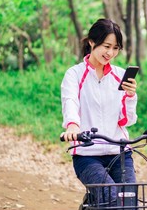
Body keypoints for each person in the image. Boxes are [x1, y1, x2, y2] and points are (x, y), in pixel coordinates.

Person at [60, 18, 138, 205]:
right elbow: (70, 101)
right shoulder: (75, 74)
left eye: (115, 48)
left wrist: (130, 96)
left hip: (119, 152)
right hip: (88, 154)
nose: (110, 53)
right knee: (109, 197)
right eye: (106, 46)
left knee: (129, 203)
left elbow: (127, 120)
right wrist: (72, 126)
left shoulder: (119, 75)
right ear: (92, 42)